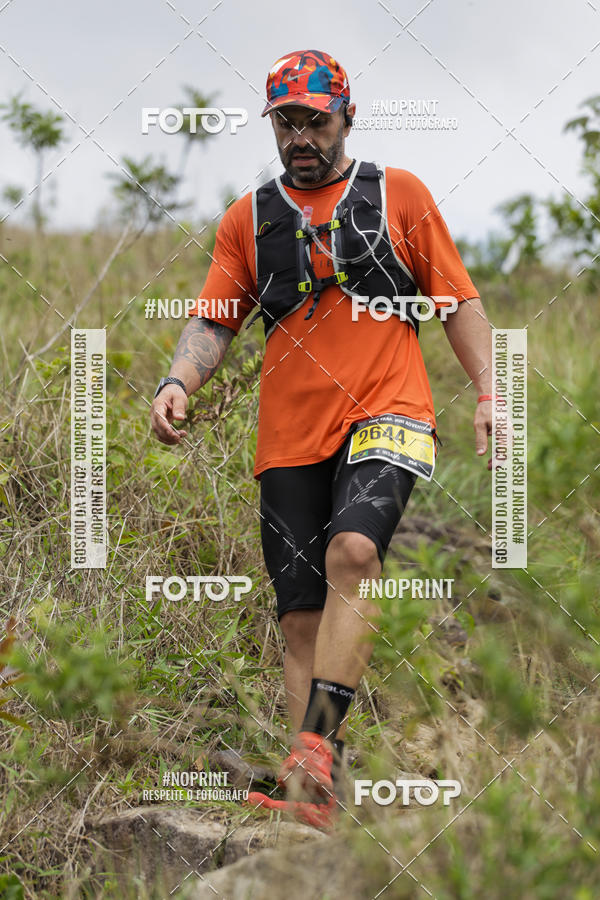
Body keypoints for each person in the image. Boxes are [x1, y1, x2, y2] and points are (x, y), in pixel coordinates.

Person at [150, 48, 494, 829]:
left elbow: (458, 299)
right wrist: (179, 381)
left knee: (356, 553)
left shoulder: (398, 195)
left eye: (315, 119)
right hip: (289, 433)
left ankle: (314, 745)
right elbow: (215, 318)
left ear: (346, 115)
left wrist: (489, 391)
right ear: (272, 124)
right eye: (287, 122)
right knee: (300, 614)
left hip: (391, 409)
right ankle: (313, 793)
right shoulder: (249, 217)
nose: (301, 135)